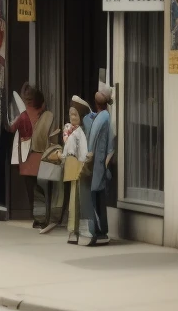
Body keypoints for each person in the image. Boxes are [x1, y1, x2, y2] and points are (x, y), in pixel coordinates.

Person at [40, 95, 89, 241]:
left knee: (76, 202)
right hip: (74, 170)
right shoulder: (74, 132)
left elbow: (75, 154)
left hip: (76, 170)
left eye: (75, 114)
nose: (72, 117)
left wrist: (59, 155)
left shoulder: (78, 134)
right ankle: (74, 231)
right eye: (70, 114)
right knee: (74, 201)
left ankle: (74, 231)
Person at [7, 84, 53, 226]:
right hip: (43, 157)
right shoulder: (45, 114)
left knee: (32, 191)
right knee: (44, 189)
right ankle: (46, 216)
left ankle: (37, 218)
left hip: (26, 159)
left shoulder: (23, 116)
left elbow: (11, 128)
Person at [83, 83, 115, 246]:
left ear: (96, 103)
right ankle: (101, 231)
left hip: (97, 164)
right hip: (100, 164)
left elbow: (108, 147)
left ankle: (96, 231)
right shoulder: (105, 117)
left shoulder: (101, 119)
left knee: (94, 197)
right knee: (99, 197)